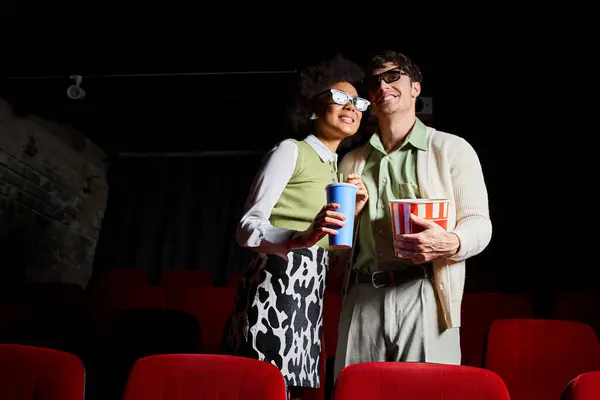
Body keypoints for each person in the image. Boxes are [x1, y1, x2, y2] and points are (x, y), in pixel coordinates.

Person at [332, 50, 493, 378]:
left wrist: (450, 242)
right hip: (361, 295)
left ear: (415, 88)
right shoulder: (350, 162)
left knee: (429, 393)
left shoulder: (451, 149)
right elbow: (337, 247)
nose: (383, 86)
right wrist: (347, 222)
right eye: (375, 81)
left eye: (393, 77)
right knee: (352, 392)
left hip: (425, 293)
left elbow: (479, 223)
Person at [222, 54, 369, 397]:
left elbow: (329, 250)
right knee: (262, 383)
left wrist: (356, 211)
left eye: (358, 102)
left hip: (310, 288)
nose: (351, 107)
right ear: (315, 108)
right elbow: (247, 227)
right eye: (339, 98)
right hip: (275, 277)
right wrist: (300, 236)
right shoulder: (291, 151)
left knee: (293, 389)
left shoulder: (337, 172)